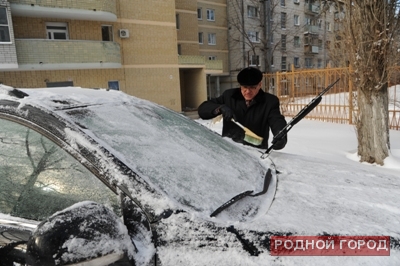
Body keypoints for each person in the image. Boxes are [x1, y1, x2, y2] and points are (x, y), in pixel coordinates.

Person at [198, 67, 287, 150]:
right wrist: (219, 108)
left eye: (252, 87)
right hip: (230, 150)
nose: (248, 91)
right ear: (240, 85)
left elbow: (277, 120)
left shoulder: (269, 101)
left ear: (260, 85)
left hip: (256, 152)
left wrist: (280, 135)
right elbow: (203, 109)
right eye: (245, 87)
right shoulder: (229, 96)